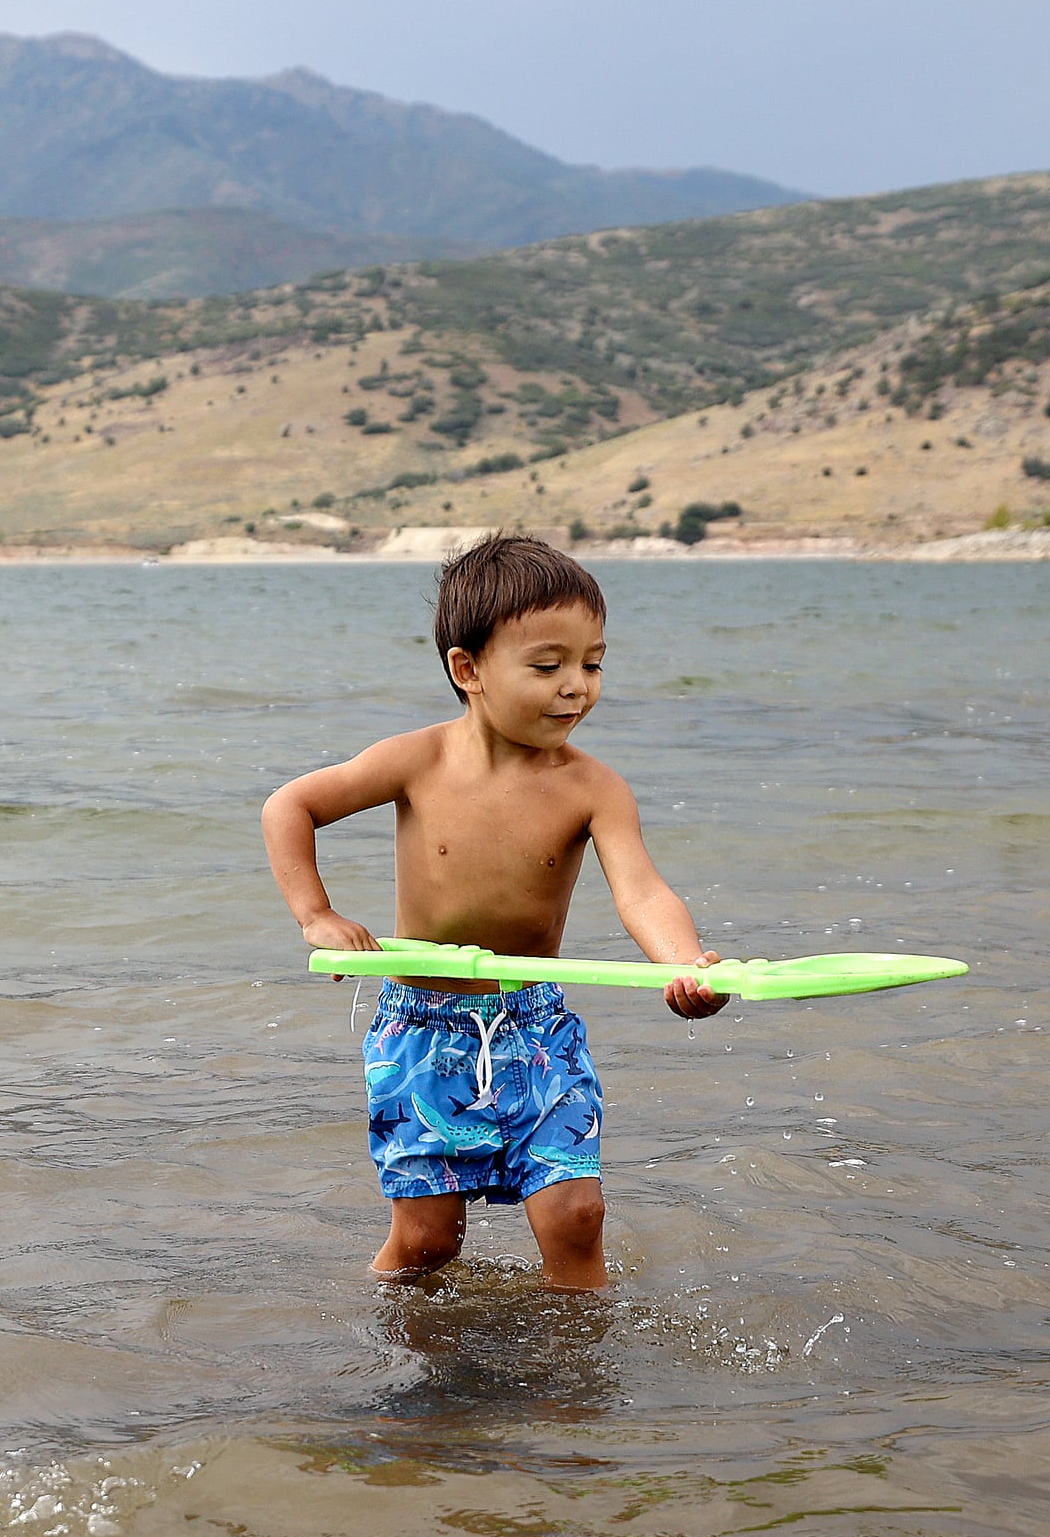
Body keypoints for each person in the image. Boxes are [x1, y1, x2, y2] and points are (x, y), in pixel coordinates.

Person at [261, 535, 728, 1292]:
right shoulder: (416, 761)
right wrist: (315, 913)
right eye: (548, 667)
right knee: (427, 1243)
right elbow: (292, 805)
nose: (576, 686)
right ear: (467, 670)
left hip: (536, 1028)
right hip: (422, 1028)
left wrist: (682, 963)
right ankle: (391, 1355)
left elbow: (640, 889)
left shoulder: (593, 788)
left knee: (577, 1219)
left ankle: (575, 1387)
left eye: (593, 663)